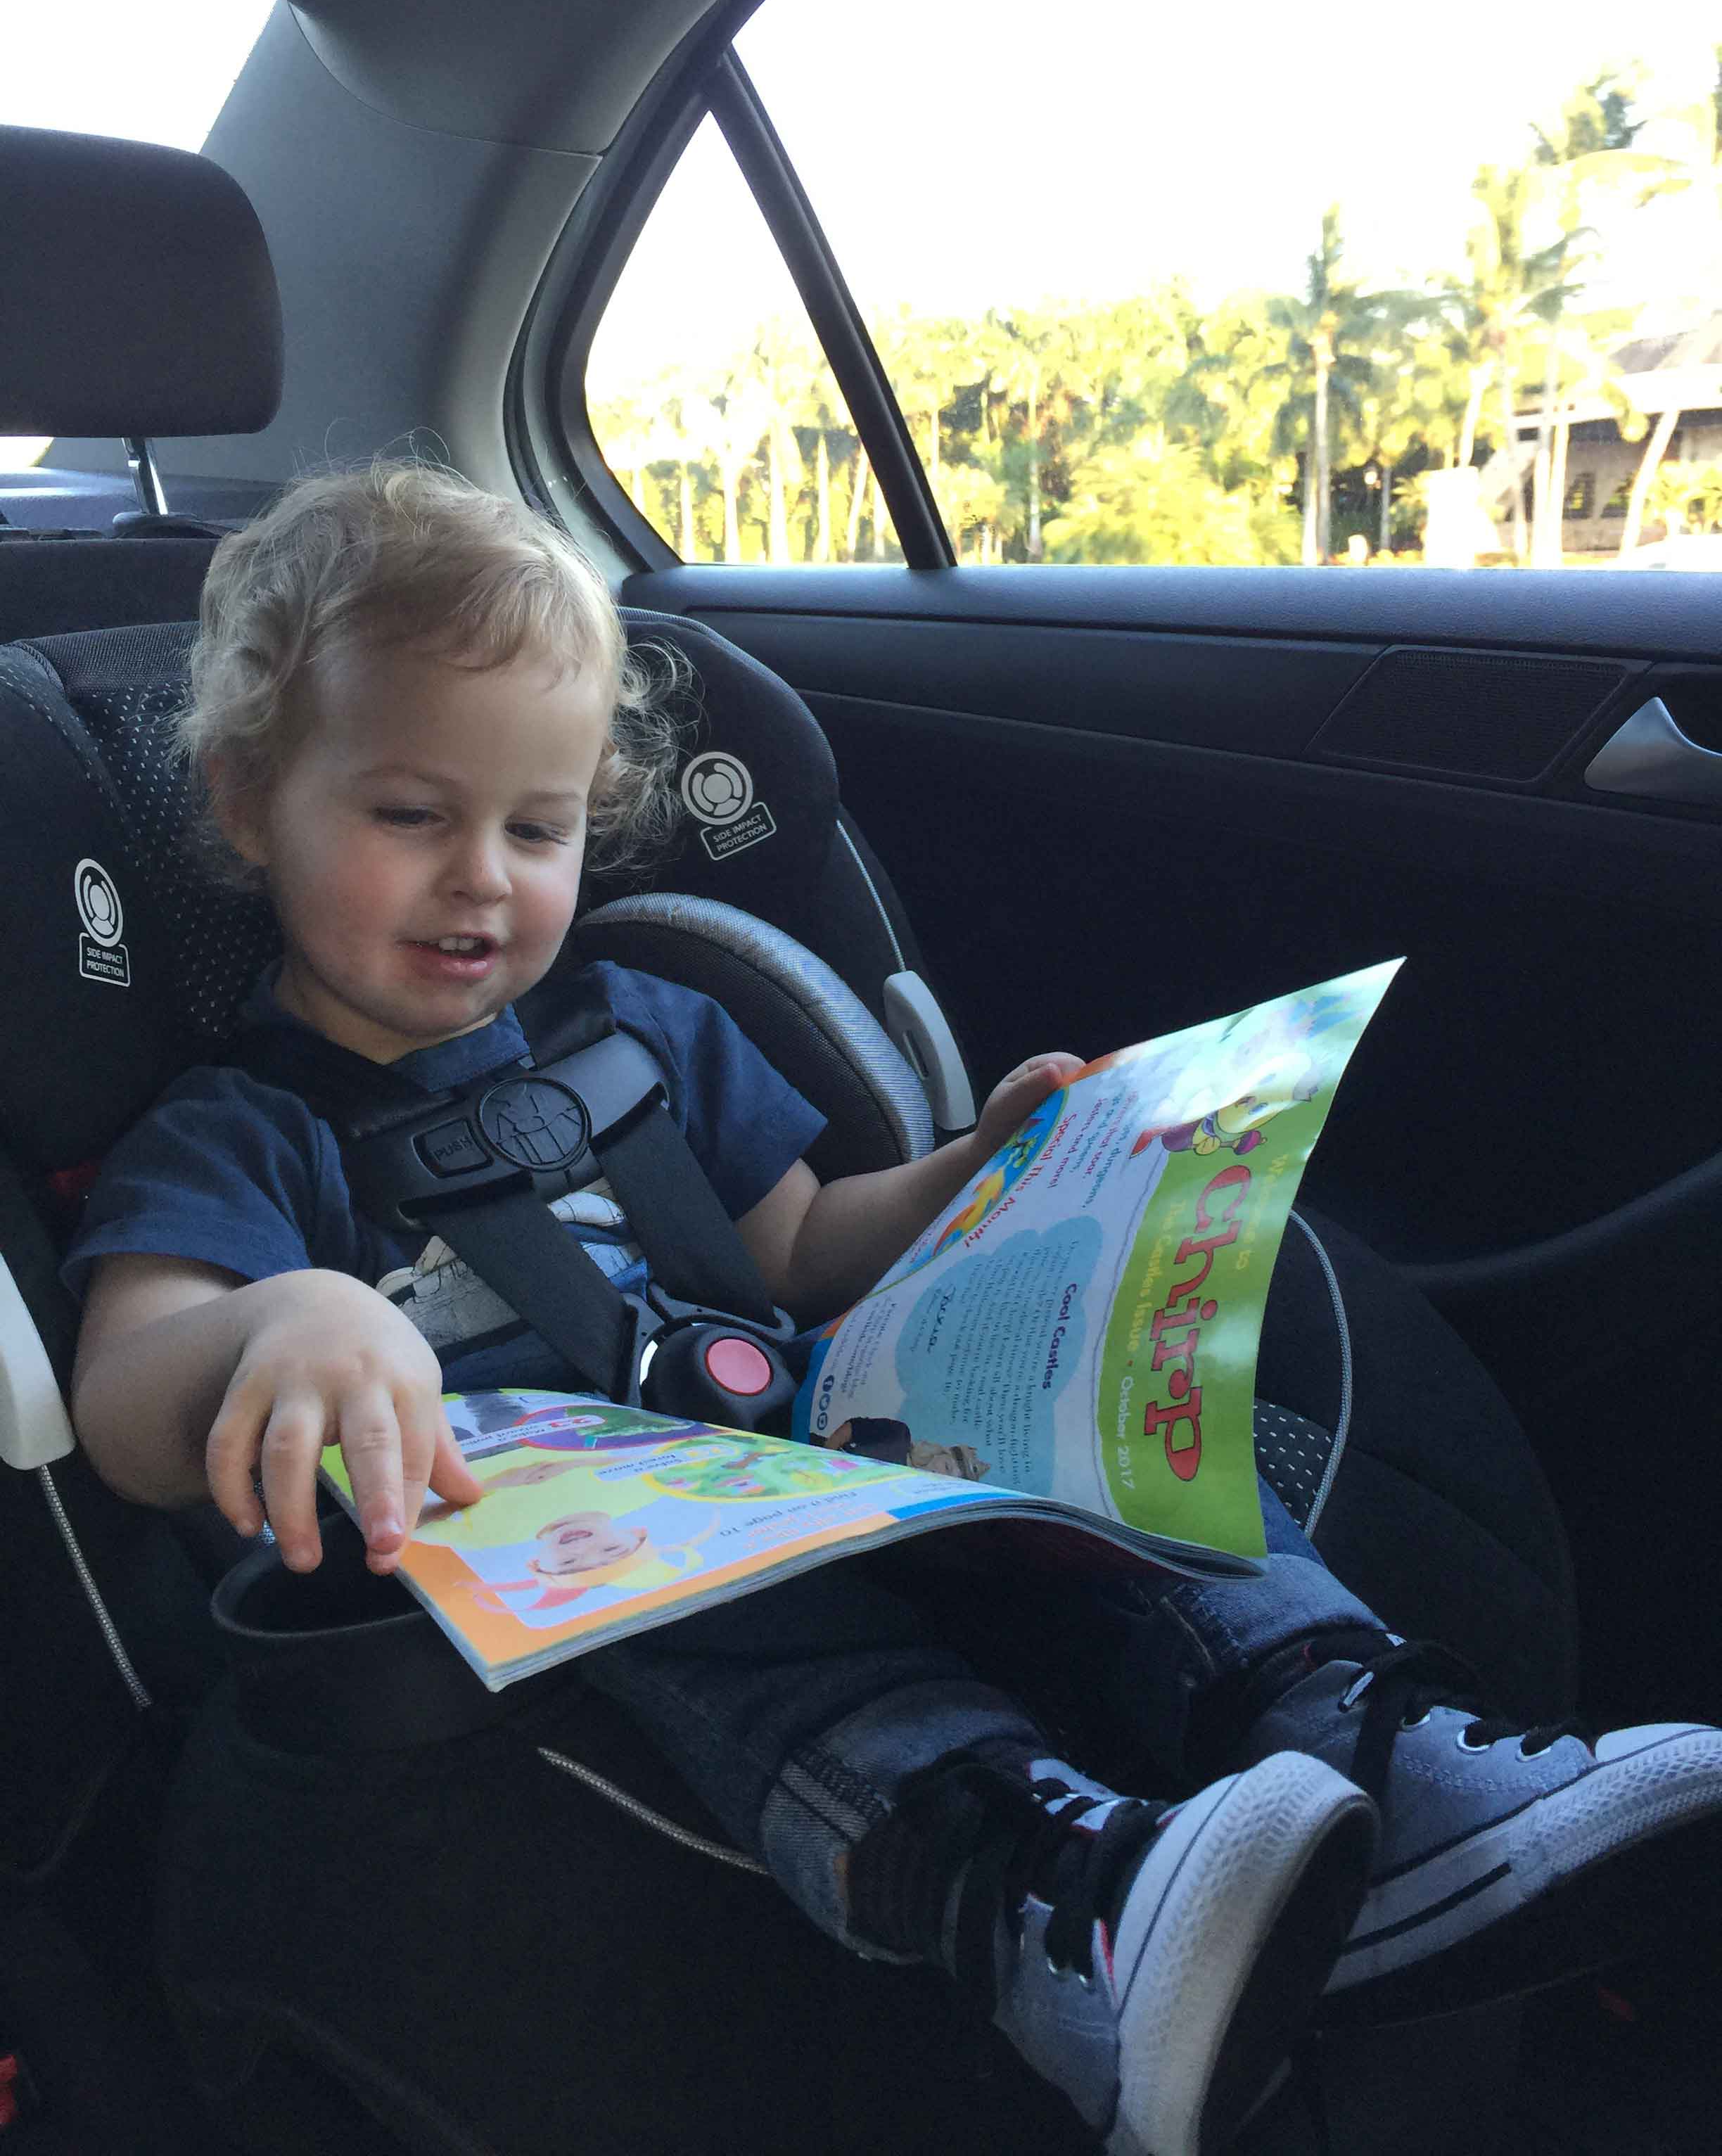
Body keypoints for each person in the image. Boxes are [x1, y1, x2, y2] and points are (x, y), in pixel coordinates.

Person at [65, 464, 1722, 2156]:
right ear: (252, 801)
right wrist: (283, 1326)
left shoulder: (639, 1025)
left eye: (538, 828)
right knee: (748, 1630)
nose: (484, 881)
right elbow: (128, 1397)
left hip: (796, 1438)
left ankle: (1373, 1736)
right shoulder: (242, 1133)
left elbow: (798, 1251)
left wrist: (988, 1168)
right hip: (552, 1546)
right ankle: (1036, 1894)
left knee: (1106, 1470)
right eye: (412, 818)